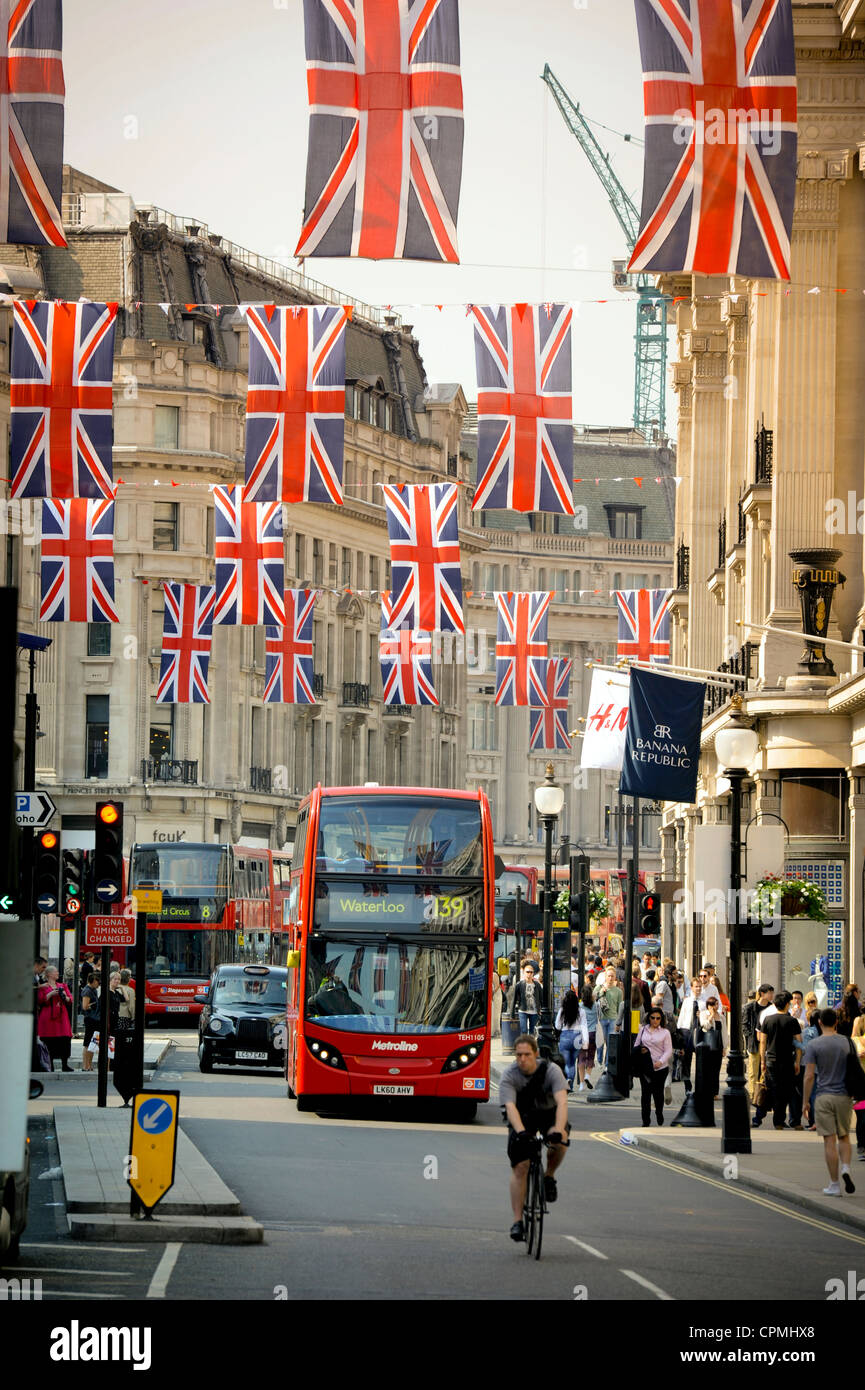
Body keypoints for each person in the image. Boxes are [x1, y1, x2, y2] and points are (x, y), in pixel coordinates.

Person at [500, 1034, 570, 1242]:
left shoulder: (551, 1071)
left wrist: (557, 1129)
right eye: (518, 1055)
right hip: (522, 1118)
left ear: (536, 1054)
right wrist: (521, 1132)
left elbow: (562, 1102)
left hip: (549, 1114)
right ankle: (517, 1221)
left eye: (527, 1055)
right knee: (520, 1167)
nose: (522, 1059)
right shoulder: (509, 1075)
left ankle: (549, 1175)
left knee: (561, 1138)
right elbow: (510, 1108)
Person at [802, 1008, 857, 1197]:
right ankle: (846, 1168)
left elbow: (809, 1075)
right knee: (844, 1136)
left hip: (823, 1096)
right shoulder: (847, 1042)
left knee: (829, 1140)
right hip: (844, 1096)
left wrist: (805, 1102)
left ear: (819, 1023)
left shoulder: (814, 1045)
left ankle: (834, 1185)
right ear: (836, 1022)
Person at [757, 991, 801, 1130]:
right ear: (787, 1004)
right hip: (787, 1059)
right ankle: (781, 1119)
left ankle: (776, 1120)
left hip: (771, 1059)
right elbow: (799, 1042)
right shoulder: (792, 1021)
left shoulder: (768, 1020)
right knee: (787, 1090)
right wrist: (798, 1061)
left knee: (774, 1089)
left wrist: (762, 1061)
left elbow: (762, 1042)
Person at [634, 1006, 673, 1126]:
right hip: (646, 1068)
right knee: (645, 1094)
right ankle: (645, 1121)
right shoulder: (643, 1030)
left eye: (658, 1018)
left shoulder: (665, 1033)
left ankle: (659, 1113)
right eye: (653, 1018)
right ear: (649, 1018)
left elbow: (668, 1051)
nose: (655, 1020)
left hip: (660, 1068)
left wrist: (660, 1062)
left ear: (661, 1019)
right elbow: (636, 1045)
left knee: (658, 1094)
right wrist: (640, 1050)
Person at [694, 996, 727, 1124]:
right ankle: (707, 1091)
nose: (715, 1007)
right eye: (713, 1004)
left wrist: (725, 1046)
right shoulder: (704, 1014)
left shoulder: (722, 1017)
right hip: (708, 1045)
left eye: (717, 1004)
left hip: (718, 1045)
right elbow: (705, 1026)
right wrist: (711, 1016)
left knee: (716, 1069)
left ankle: (715, 1092)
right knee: (707, 1068)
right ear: (708, 1005)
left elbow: (724, 1032)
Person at [36, 966, 74, 1071]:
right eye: (55, 971)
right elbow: (40, 1000)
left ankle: (65, 1065)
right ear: (49, 974)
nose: (58, 973)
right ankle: (50, 1064)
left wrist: (64, 996)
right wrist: (51, 993)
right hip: (48, 1016)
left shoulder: (62, 985)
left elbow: (70, 999)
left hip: (62, 1016)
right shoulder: (43, 986)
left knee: (65, 1039)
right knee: (49, 1041)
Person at [742, 985, 774, 1103]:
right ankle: (752, 1094)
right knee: (753, 1070)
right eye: (769, 993)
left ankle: (762, 1094)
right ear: (762, 993)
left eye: (772, 993)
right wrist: (751, 1036)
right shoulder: (750, 1007)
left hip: (768, 1043)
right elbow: (744, 1024)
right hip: (754, 1043)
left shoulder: (771, 1008)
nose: (771, 995)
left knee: (765, 1070)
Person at [555, 988, 588, 1093]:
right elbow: (584, 1026)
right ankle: (571, 1085)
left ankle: (567, 1080)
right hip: (577, 1037)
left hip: (565, 1036)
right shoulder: (581, 1011)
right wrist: (585, 1040)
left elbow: (557, 1026)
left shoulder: (562, 1010)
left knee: (565, 1063)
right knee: (572, 1063)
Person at [593, 966, 623, 1069]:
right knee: (600, 1042)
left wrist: (619, 1022)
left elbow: (620, 1007)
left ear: (615, 977)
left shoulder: (618, 991)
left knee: (611, 1043)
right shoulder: (599, 987)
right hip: (601, 1018)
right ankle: (599, 1061)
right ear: (605, 976)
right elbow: (592, 999)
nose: (610, 978)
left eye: (612, 976)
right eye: (609, 976)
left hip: (613, 1019)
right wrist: (601, 992)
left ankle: (607, 1064)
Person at [577, 984, 598, 1092]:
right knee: (590, 1056)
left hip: (582, 1035)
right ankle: (587, 1076)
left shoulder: (579, 1006)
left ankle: (581, 1084)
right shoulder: (596, 1005)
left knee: (581, 1058)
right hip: (593, 1033)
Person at [514, 962, 543, 1037]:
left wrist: (541, 1009)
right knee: (523, 1030)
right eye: (527, 972)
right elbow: (514, 998)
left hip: (534, 1011)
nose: (529, 974)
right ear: (524, 972)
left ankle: (530, 1046)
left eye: (531, 972)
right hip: (523, 1010)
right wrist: (512, 1013)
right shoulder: (519, 984)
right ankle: (524, 1045)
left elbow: (541, 998)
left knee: (532, 1030)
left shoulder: (537, 985)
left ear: (533, 973)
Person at [81, 970, 101, 1071]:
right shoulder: (87, 990)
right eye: (98, 982)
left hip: (95, 1018)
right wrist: (93, 1005)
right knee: (88, 1042)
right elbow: (84, 1006)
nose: (99, 984)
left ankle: (89, 1064)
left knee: (93, 1043)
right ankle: (85, 1065)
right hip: (89, 1018)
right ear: (93, 981)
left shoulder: (94, 990)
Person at [851, 1017, 865, 1160]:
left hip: (858, 1087)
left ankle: (861, 1146)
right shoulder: (854, 1042)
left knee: (862, 1118)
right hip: (860, 1087)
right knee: (861, 1117)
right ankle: (861, 1146)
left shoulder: (852, 1041)